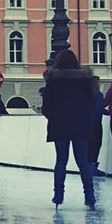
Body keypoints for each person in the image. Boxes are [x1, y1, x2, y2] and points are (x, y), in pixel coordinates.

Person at [41, 50, 95, 210]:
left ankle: (58, 194)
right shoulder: (85, 81)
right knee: (83, 162)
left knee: (61, 161)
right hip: (81, 125)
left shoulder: (53, 81)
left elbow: (47, 106)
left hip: (60, 125)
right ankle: (89, 195)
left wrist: (53, 116)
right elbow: (90, 102)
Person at [87, 76, 106, 177]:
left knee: (89, 146)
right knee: (96, 145)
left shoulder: (85, 95)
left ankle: (88, 166)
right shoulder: (98, 95)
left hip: (86, 124)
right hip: (96, 124)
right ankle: (93, 167)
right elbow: (99, 109)